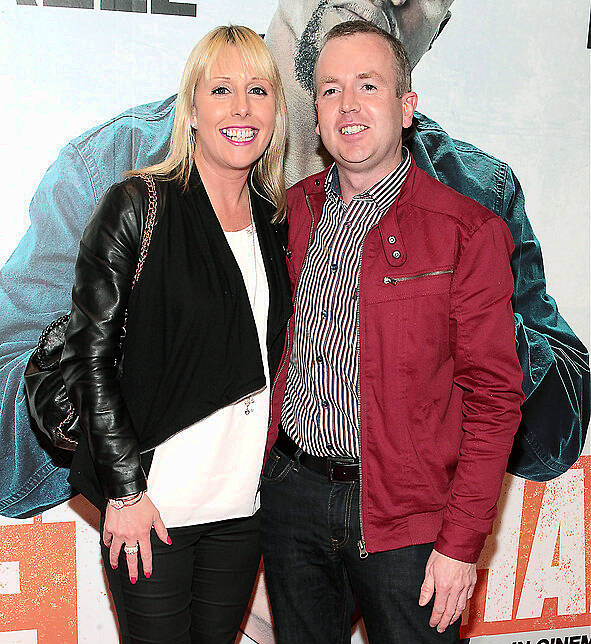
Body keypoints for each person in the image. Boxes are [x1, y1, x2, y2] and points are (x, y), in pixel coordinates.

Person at [0, 0, 587, 524]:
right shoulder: (120, 165)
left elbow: (561, 416)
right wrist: (110, 367)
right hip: (183, 518)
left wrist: (459, 323)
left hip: (384, 524)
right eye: (332, 88)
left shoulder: (474, 196)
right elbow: (10, 430)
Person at [260, 20, 523, 644]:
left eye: (369, 85)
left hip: (410, 513)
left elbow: (498, 395)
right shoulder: (293, 210)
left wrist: (464, 541)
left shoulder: (465, 228)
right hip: (294, 494)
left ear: (406, 105)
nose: (348, 105)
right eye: (329, 91)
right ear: (315, 115)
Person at [60, 24, 291, 644]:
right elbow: (91, 350)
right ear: (191, 104)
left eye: (260, 93)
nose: (241, 109)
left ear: (276, 114)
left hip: (240, 508)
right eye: (222, 90)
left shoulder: (281, 224)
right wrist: (120, 489)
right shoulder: (138, 205)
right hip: (148, 510)